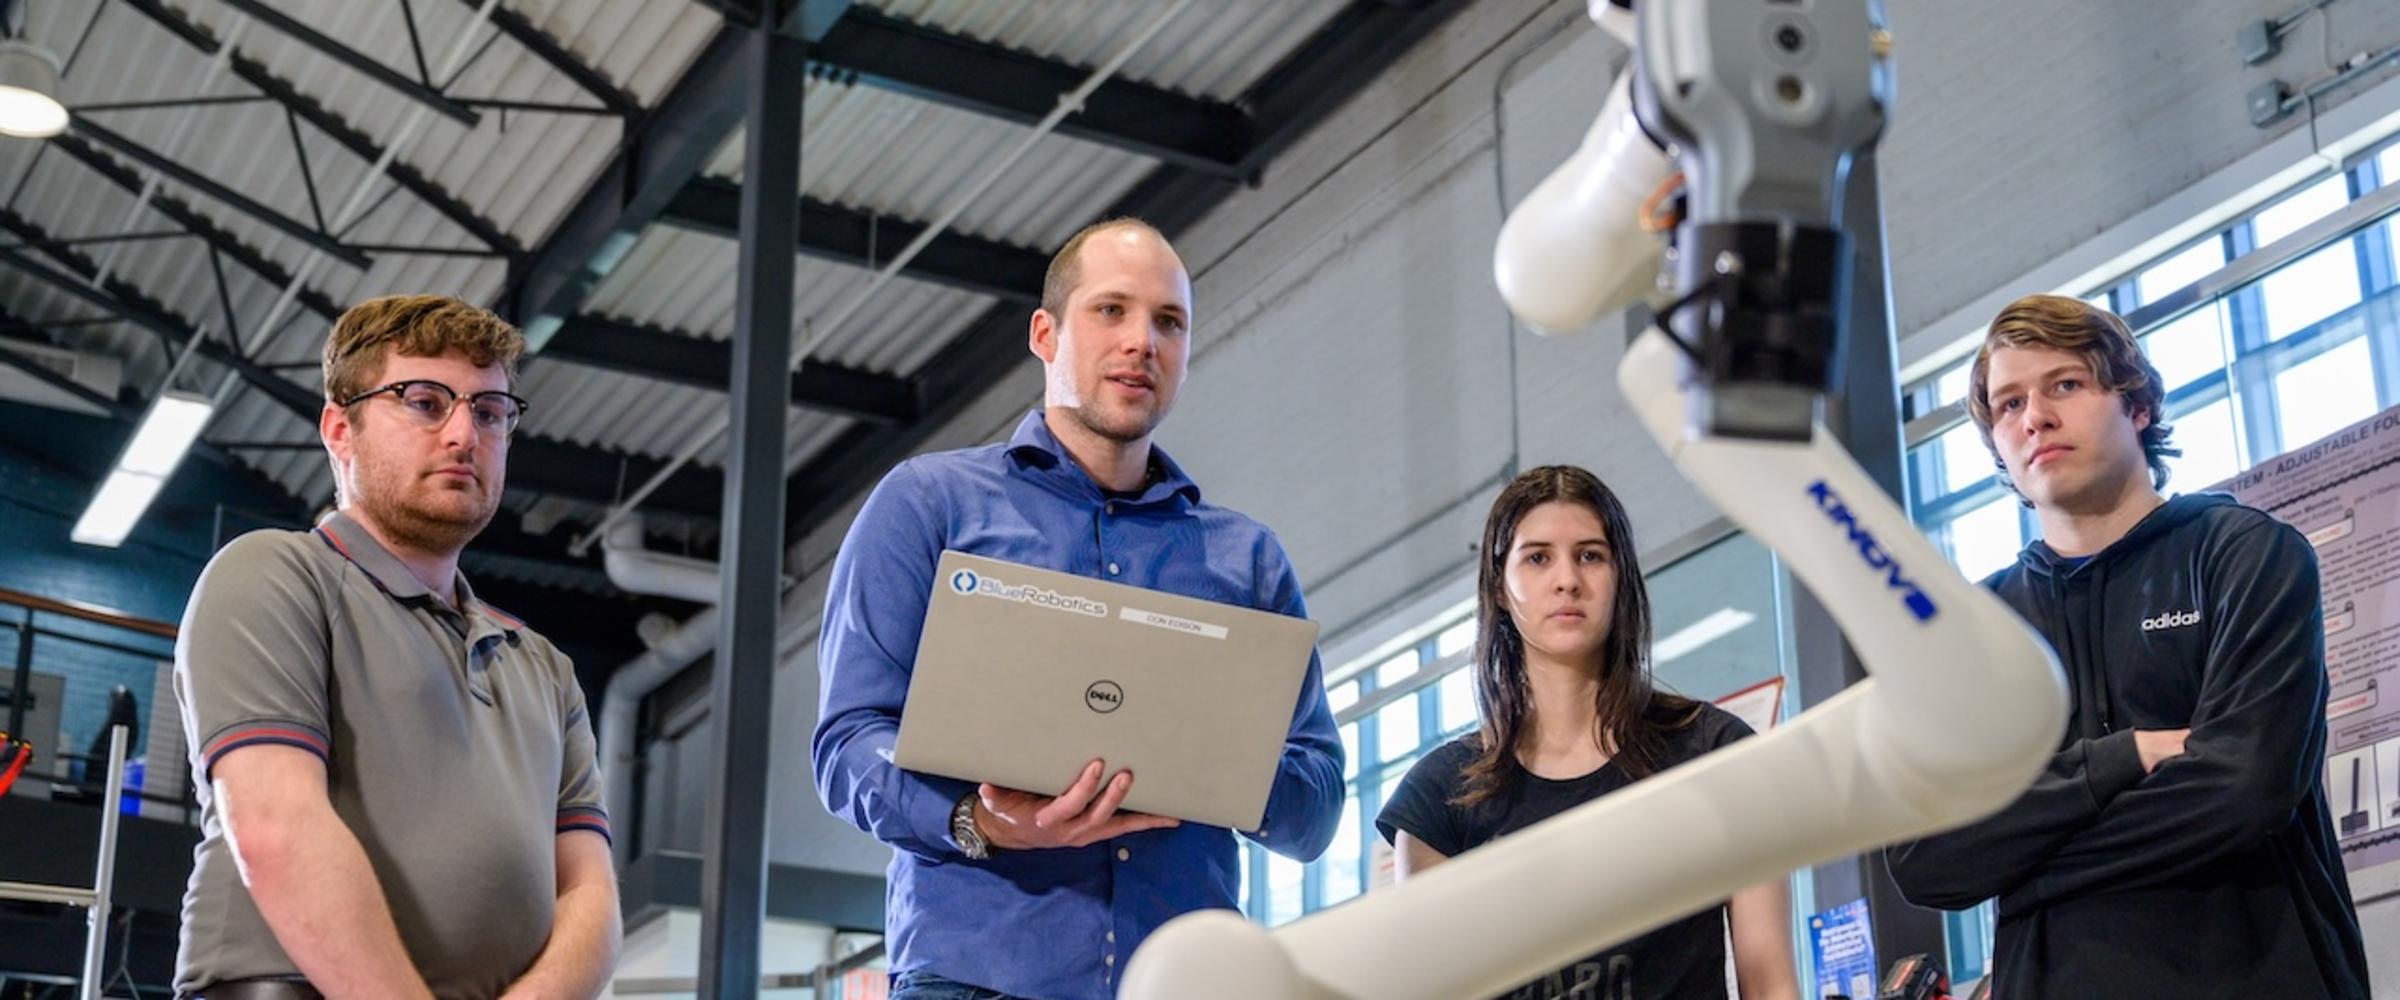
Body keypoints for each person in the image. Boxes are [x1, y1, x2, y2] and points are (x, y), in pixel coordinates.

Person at [811, 217, 1345, 1000]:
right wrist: (979, 821)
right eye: (1111, 310)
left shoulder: (1247, 561)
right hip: (974, 983)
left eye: (1169, 322)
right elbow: (850, 740)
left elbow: (1317, 803)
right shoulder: (929, 507)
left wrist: (1208, 752)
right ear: (1045, 334)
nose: (1142, 343)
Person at [1885, 294, 2369, 998]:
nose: (2035, 417)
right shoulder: (1973, 631)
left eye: (2065, 385)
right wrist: (2121, 759)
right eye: (2009, 404)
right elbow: (1925, 861)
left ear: (2137, 405)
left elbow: (2245, 788)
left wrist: (2023, 863)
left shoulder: (2246, 555)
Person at [173, 295, 620, 1000]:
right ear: (339, 430)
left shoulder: (544, 668)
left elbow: (591, 895)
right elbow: (275, 828)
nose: (463, 434)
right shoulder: (276, 576)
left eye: (490, 412)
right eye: (424, 403)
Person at [1376, 464, 1798, 1000]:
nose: (1567, 580)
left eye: (1590, 555)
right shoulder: (1439, 796)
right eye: (1538, 558)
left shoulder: (1714, 753)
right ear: (1500, 587)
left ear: (1620, 578)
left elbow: (1771, 983)